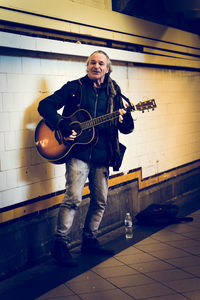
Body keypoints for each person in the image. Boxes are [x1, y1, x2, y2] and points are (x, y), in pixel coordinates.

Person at [38, 50, 134, 266]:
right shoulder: (74, 88)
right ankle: (60, 245)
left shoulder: (115, 93)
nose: (96, 66)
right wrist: (62, 123)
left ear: (107, 68)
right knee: (73, 198)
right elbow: (44, 106)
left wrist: (125, 118)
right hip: (78, 154)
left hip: (103, 155)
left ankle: (89, 240)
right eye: (92, 62)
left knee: (100, 200)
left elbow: (127, 128)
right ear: (87, 66)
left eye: (101, 63)